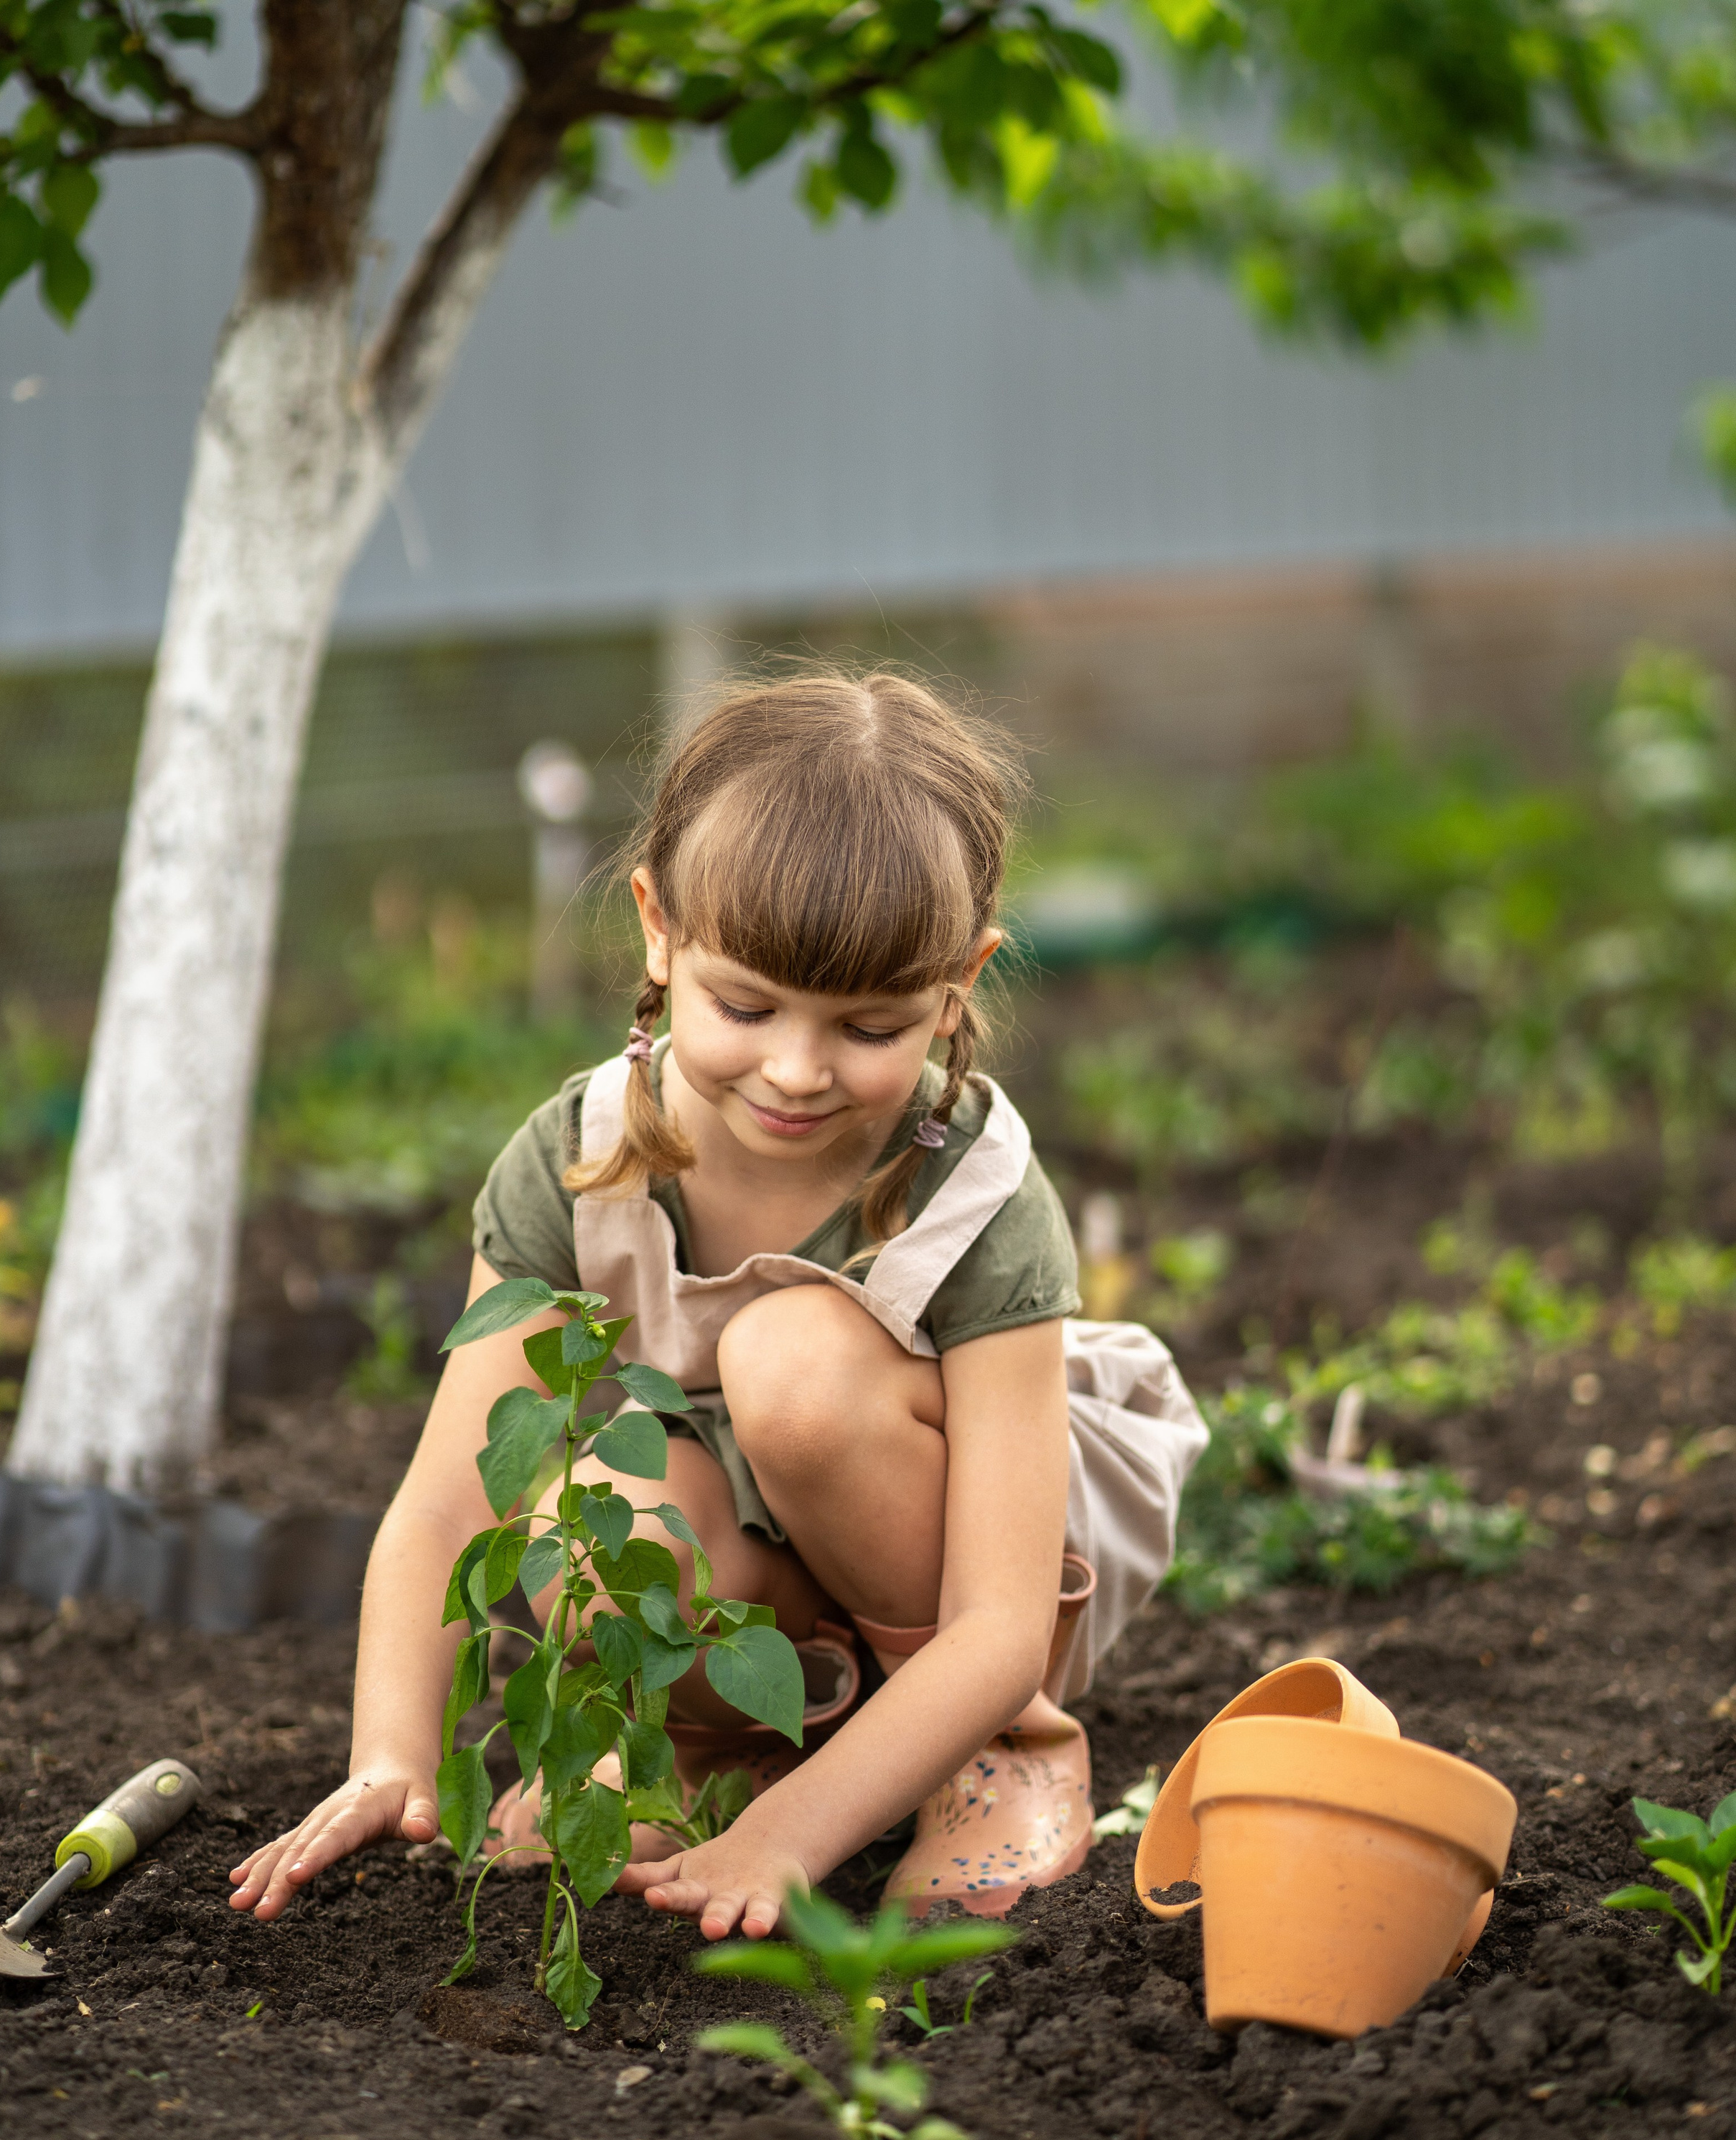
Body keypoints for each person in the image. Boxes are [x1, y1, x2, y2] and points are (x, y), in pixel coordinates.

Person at [230, 671, 1205, 1943]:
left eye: (869, 1026)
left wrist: (792, 1847)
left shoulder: (973, 1195)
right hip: (762, 1568)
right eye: (745, 1007)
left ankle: (998, 1760)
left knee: (792, 1366)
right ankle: (708, 1750)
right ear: (657, 931)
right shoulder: (577, 1163)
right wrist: (392, 1758)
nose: (797, 1071)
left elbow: (1000, 1622)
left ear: (960, 984)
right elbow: (448, 1501)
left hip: (965, 1571)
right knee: (587, 1516)